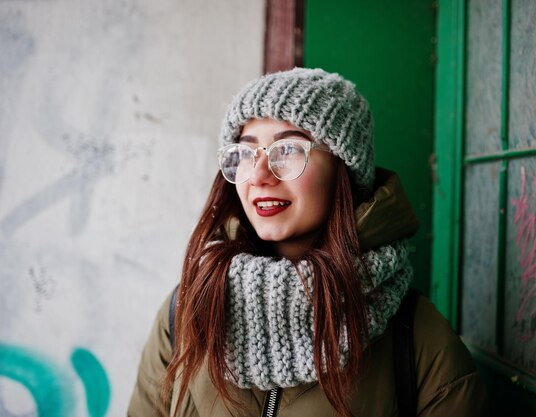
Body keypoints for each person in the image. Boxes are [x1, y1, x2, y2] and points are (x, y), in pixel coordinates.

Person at [128, 68, 489, 417]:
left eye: (288, 150)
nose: (259, 175)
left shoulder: (416, 337)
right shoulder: (190, 309)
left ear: (343, 169)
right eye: (247, 152)